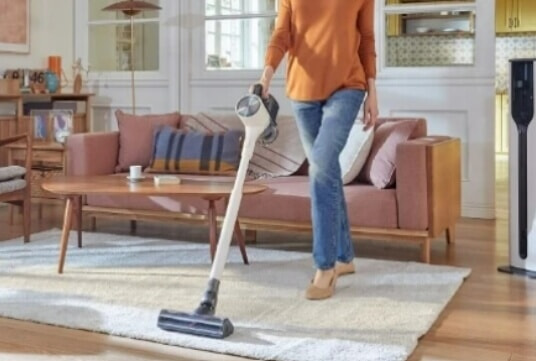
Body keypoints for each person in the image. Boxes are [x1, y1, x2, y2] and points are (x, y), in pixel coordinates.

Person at [257, 0, 379, 300]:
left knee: (321, 165)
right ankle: (345, 256)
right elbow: (282, 32)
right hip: (302, 91)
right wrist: (267, 73)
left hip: (348, 87)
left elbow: (367, 38)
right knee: (327, 171)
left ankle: (325, 267)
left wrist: (373, 92)